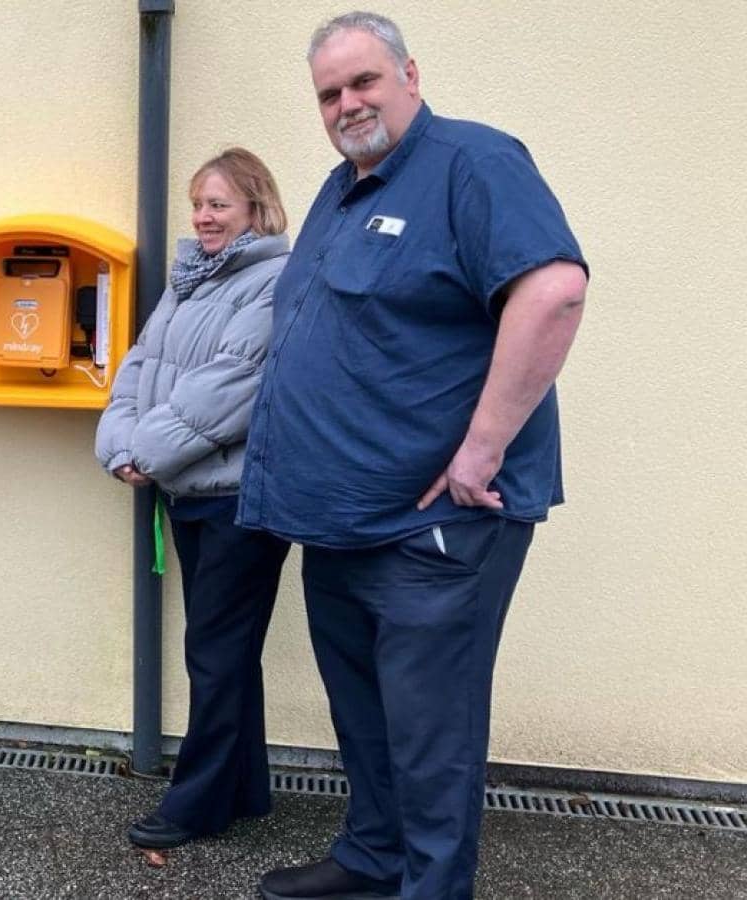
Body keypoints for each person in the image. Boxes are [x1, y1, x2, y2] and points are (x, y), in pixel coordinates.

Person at [239, 13, 588, 900]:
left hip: (433, 524)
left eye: (364, 82)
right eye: (329, 93)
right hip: (340, 519)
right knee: (364, 713)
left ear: (410, 76)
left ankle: (431, 886)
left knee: (431, 730)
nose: (347, 104)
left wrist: (480, 452)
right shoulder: (339, 188)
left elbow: (552, 291)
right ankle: (371, 857)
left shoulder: (472, 163)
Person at [95, 148, 294, 849]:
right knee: (225, 649)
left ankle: (195, 806)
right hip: (192, 491)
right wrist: (119, 443)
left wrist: (144, 453)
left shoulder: (274, 282)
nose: (203, 217)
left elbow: (229, 391)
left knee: (216, 649)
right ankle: (244, 790)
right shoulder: (192, 279)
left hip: (242, 499)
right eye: (198, 204)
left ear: (255, 210)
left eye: (219, 205)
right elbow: (141, 364)